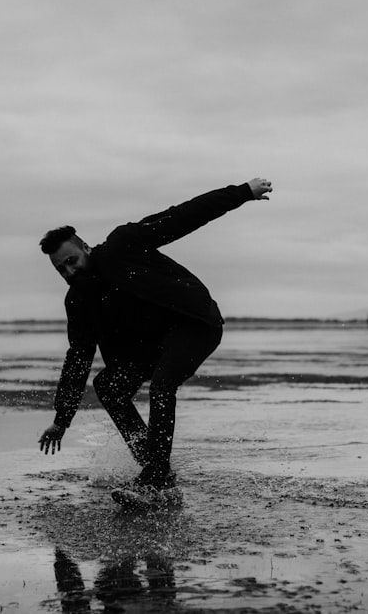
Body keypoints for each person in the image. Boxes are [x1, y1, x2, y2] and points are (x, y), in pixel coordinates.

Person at [37, 178, 273, 505]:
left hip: (195, 322)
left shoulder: (123, 246)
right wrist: (61, 420)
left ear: (85, 249)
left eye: (71, 261)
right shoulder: (78, 302)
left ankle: (155, 479)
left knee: (163, 384)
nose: (68, 271)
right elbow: (78, 358)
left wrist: (243, 193)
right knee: (108, 385)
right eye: (60, 269)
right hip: (152, 346)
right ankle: (155, 468)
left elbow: (182, 217)